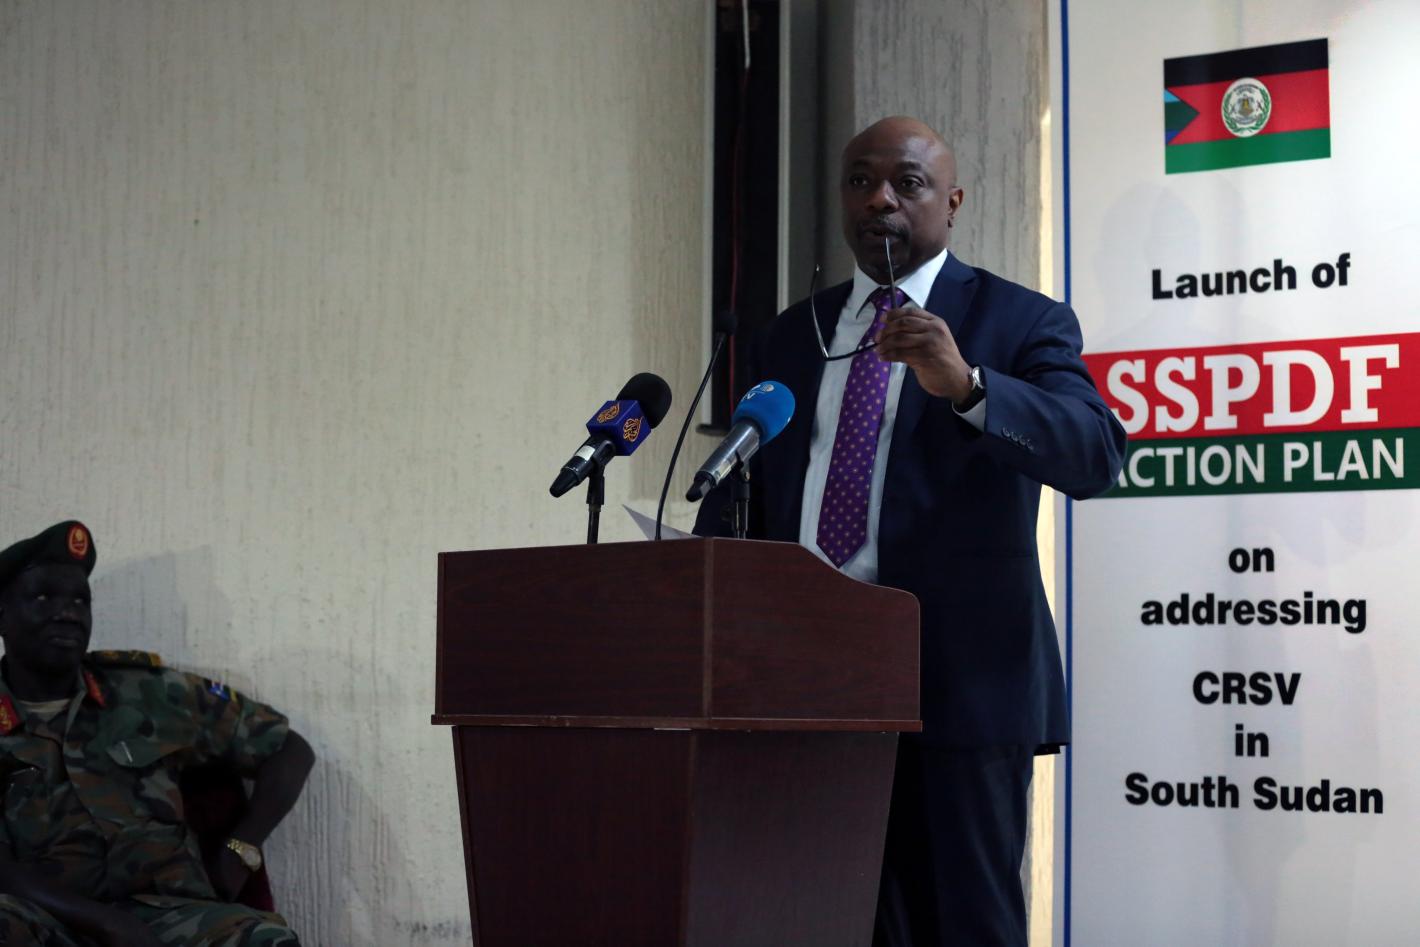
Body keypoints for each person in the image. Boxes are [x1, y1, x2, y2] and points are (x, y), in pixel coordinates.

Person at [694, 117, 1127, 946]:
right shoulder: (791, 334)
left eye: (907, 182)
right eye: (860, 181)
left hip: (959, 686)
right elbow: (751, 491)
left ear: (952, 201)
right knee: (821, 918)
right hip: (805, 690)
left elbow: (1095, 453)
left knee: (962, 925)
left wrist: (967, 385)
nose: (880, 199)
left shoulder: (1018, 319)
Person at [0, 521, 316, 946]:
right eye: (43, 597)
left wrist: (241, 849)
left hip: (169, 917)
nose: (68, 613)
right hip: (46, 920)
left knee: (267, 940)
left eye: (80, 600)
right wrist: (106, 924)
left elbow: (288, 748)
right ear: (2, 615)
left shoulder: (148, 692)